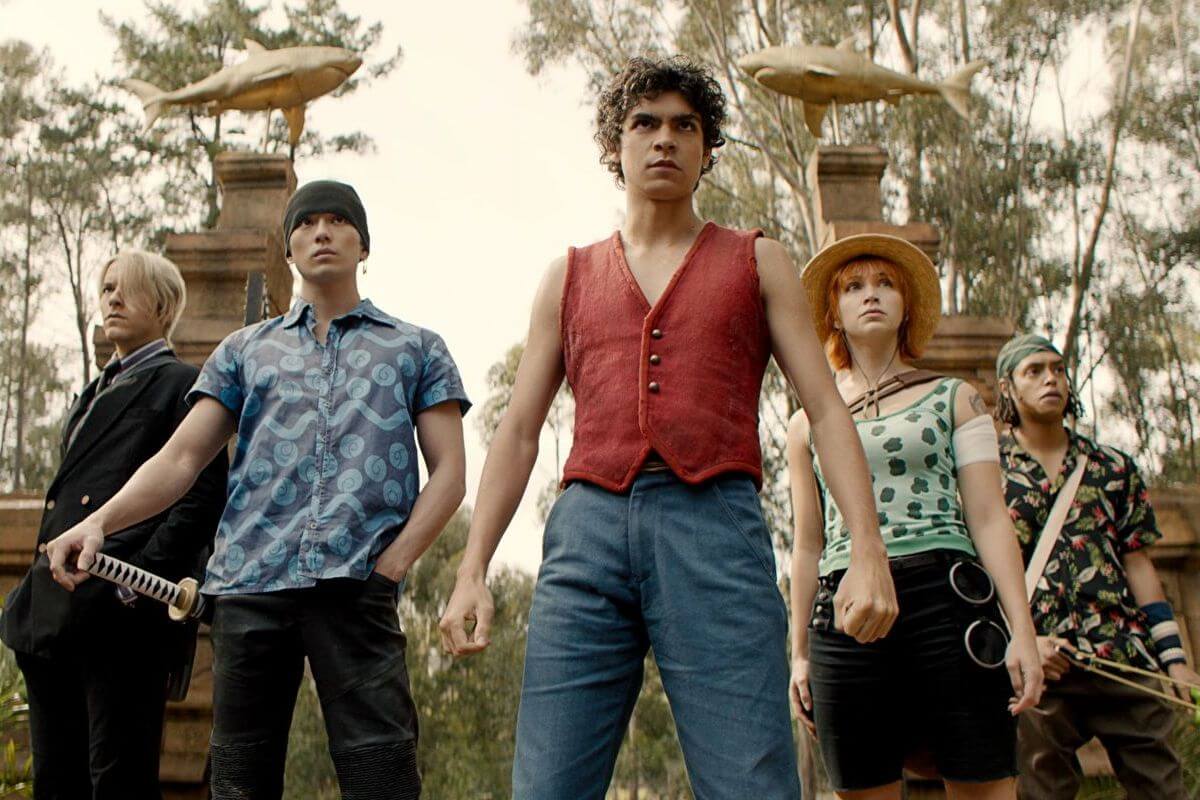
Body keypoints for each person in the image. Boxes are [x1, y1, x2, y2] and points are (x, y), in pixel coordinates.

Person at [438, 56, 898, 799]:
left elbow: (823, 407)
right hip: (585, 535)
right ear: (614, 145)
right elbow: (519, 429)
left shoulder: (757, 261)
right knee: (546, 786)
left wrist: (867, 548)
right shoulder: (568, 275)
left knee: (751, 784)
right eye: (644, 123)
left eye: (685, 126)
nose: (664, 139)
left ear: (707, 149)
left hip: (715, 528)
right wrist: (472, 570)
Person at [44, 181, 470, 799]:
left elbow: (450, 473)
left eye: (338, 221)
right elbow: (182, 458)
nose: (321, 232)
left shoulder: (416, 348)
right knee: (239, 784)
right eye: (306, 224)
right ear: (289, 249)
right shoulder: (244, 351)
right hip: (249, 587)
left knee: (383, 780)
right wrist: (97, 523)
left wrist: (391, 567)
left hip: (357, 586)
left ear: (363, 245)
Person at [786, 235, 1043, 799]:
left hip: (950, 603)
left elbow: (989, 518)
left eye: (886, 284)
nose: (871, 295)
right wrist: (798, 653)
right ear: (834, 315)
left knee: (983, 783)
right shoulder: (805, 425)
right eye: (854, 287)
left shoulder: (957, 398)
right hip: (845, 610)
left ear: (906, 307)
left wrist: (1022, 632)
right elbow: (806, 545)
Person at [0, 250, 228, 800]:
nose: (113, 299)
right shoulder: (93, 390)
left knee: (119, 782)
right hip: (53, 614)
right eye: (106, 289)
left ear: (164, 305)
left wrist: (135, 585)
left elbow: (199, 499)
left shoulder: (183, 384)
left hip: (124, 620)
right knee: (57, 781)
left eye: (128, 288)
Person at [995, 333, 1198, 799]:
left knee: (1163, 790)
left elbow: (1139, 566)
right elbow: (980, 574)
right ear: (1007, 387)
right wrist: (1022, 641)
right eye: (1034, 371)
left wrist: (1175, 661)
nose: (1051, 379)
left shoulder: (1112, 467)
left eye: (1058, 369)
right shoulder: (986, 471)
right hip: (1040, 666)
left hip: (1123, 656)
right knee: (1040, 792)